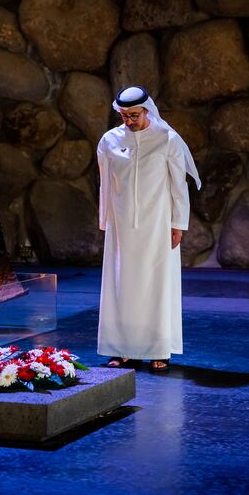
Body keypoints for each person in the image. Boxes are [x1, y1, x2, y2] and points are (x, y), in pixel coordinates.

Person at [97, 86, 201, 372]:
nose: (128, 121)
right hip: (122, 227)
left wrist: (178, 223)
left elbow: (179, 185)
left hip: (158, 225)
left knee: (156, 284)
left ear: (147, 110)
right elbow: (106, 185)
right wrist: (105, 220)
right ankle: (121, 349)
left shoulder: (167, 139)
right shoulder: (109, 140)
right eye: (123, 115)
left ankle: (158, 349)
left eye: (133, 115)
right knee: (121, 285)